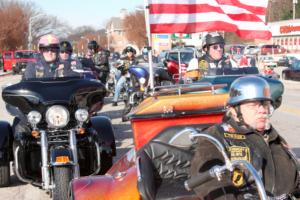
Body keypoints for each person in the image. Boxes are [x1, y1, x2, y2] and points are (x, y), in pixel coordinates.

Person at [190, 76, 300, 199]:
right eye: (253, 105)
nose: (262, 110)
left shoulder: (275, 138)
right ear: (234, 110)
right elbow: (208, 184)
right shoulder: (216, 137)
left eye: (265, 104)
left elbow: (295, 177)